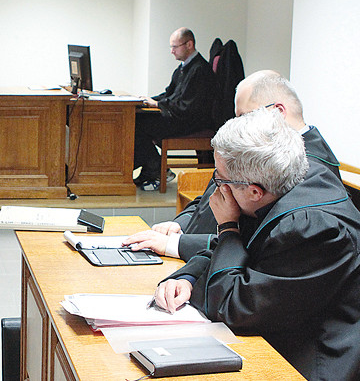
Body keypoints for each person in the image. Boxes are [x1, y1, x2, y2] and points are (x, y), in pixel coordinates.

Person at [151, 108, 360, 381]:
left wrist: (227, 227)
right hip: (280, 328)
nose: (218, 188)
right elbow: (239, 249)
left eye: (220, 179)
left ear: (254, 192)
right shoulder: (285, 180)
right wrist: (188, 277)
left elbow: (232, 307)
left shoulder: (314, 229)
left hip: (310, 360)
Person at [123, 70, 342, 261]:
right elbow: (212, 195)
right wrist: (181, 224)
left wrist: (175, 245)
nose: (239, 125)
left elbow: (252, 242)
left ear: (278, 112)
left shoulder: (305, 168)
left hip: (214, 264)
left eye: (245, 116)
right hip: (195, 251)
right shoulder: (259, 148)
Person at [134, 27, 217, 190]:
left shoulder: (200, 70)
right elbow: (169, 94)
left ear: (189, 45)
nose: (172, 51)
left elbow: (188, 107)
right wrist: (148, 101)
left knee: (138, 124)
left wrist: (158, 105)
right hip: (180, 116)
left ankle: (156, 169)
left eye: (175, 47)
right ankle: (154, 168)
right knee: (137, 118)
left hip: (190, 122)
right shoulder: (183, 68)